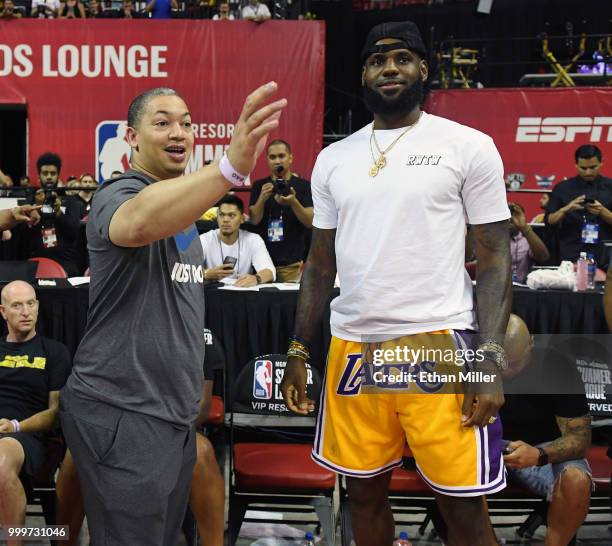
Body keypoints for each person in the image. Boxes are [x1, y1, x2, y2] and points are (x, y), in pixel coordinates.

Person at [281, 21, 511, 546]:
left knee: (462, 507)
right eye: (377, 59)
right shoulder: (333, 158)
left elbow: (496, 259)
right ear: (362, 73)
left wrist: (489, 361)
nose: (389, 68)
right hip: (353, 347)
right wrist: (298, 348)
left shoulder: (467, 146)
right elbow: (320, 265)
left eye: (402, 58)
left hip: (439, 344)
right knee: (362, 496)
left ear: (423, 69)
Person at [59, 84, 286, 546]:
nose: (178, 131)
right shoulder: (120, 192)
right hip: (125, 412)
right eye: (162, 122)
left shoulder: (184, 213)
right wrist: (228, 169)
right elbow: (135, 222)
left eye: (186, 122)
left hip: (170, 419)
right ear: (132, 138)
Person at [56, 328, 226, 546]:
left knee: (201, 453)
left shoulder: (196, 332)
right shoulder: (118, 327)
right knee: (75, 454)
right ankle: (63, 542)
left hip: (173, 426)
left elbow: (202, 407)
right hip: (120, 424)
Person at [501, 314, 592, 546]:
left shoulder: (555, 363)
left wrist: (540, 455)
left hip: (540, 450)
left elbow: (580, 438)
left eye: (513, 363)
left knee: (576, 481)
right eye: (499, 362)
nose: (506, 371)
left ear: (530, 344)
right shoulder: (470, 360)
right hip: (486, 446)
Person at [0, 281, 71, 546]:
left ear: (39, 308)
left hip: (26, 436)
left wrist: (15, 426)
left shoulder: (54, 352)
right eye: (17, 305)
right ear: (3, 311)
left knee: (1, 461)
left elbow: (54, 413)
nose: (26, 311)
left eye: (31, 304)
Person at [249, 139, 313, 282]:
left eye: (281, 156)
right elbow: (254, 220)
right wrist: (261, 199)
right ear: (267, 160)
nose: (277, 161)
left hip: (292, 265)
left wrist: (293, 202)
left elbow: (310, 221)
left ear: (290, 158)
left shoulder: (303, 186)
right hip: (263, 265)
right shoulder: (260, 186)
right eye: (272, 157)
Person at [546, 145, 612, 267]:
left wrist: (602, 211)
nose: (588, 172)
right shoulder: (562, 188)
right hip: (571, 253)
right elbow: (550, 221)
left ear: (601, 163)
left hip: (604, 254)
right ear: (575, 164)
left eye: (593, 167)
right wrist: (567, 209)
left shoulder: (611, 187)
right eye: (583, 168)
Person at [18, 153, 81, 276]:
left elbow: (74, 233)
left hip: (65, 264)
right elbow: (21, 236)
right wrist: (35, 209)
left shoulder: (70, 201)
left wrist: (58, 213)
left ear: (58, 175)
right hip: (35, 264)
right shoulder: (30, 201)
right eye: (45, 173)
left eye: (52, 173)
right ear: (39, 175)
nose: (49, 177)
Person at [200, 194, 275, 286]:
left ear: (242, 219)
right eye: (221, 215)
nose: (225, 220)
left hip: (243, 293)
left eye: (231, 215)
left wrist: (256, 278)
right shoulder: (204, 239)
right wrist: (206, 274)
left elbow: (269, 271)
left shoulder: (253, 239)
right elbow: (187, 272)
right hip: (212, 295)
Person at [509, 202, 550, 282]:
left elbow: (544, 257)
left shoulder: (527, 240)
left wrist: (524, 227)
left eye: (515, 215)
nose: (510, 220)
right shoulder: (492, 239)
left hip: (520, 289)